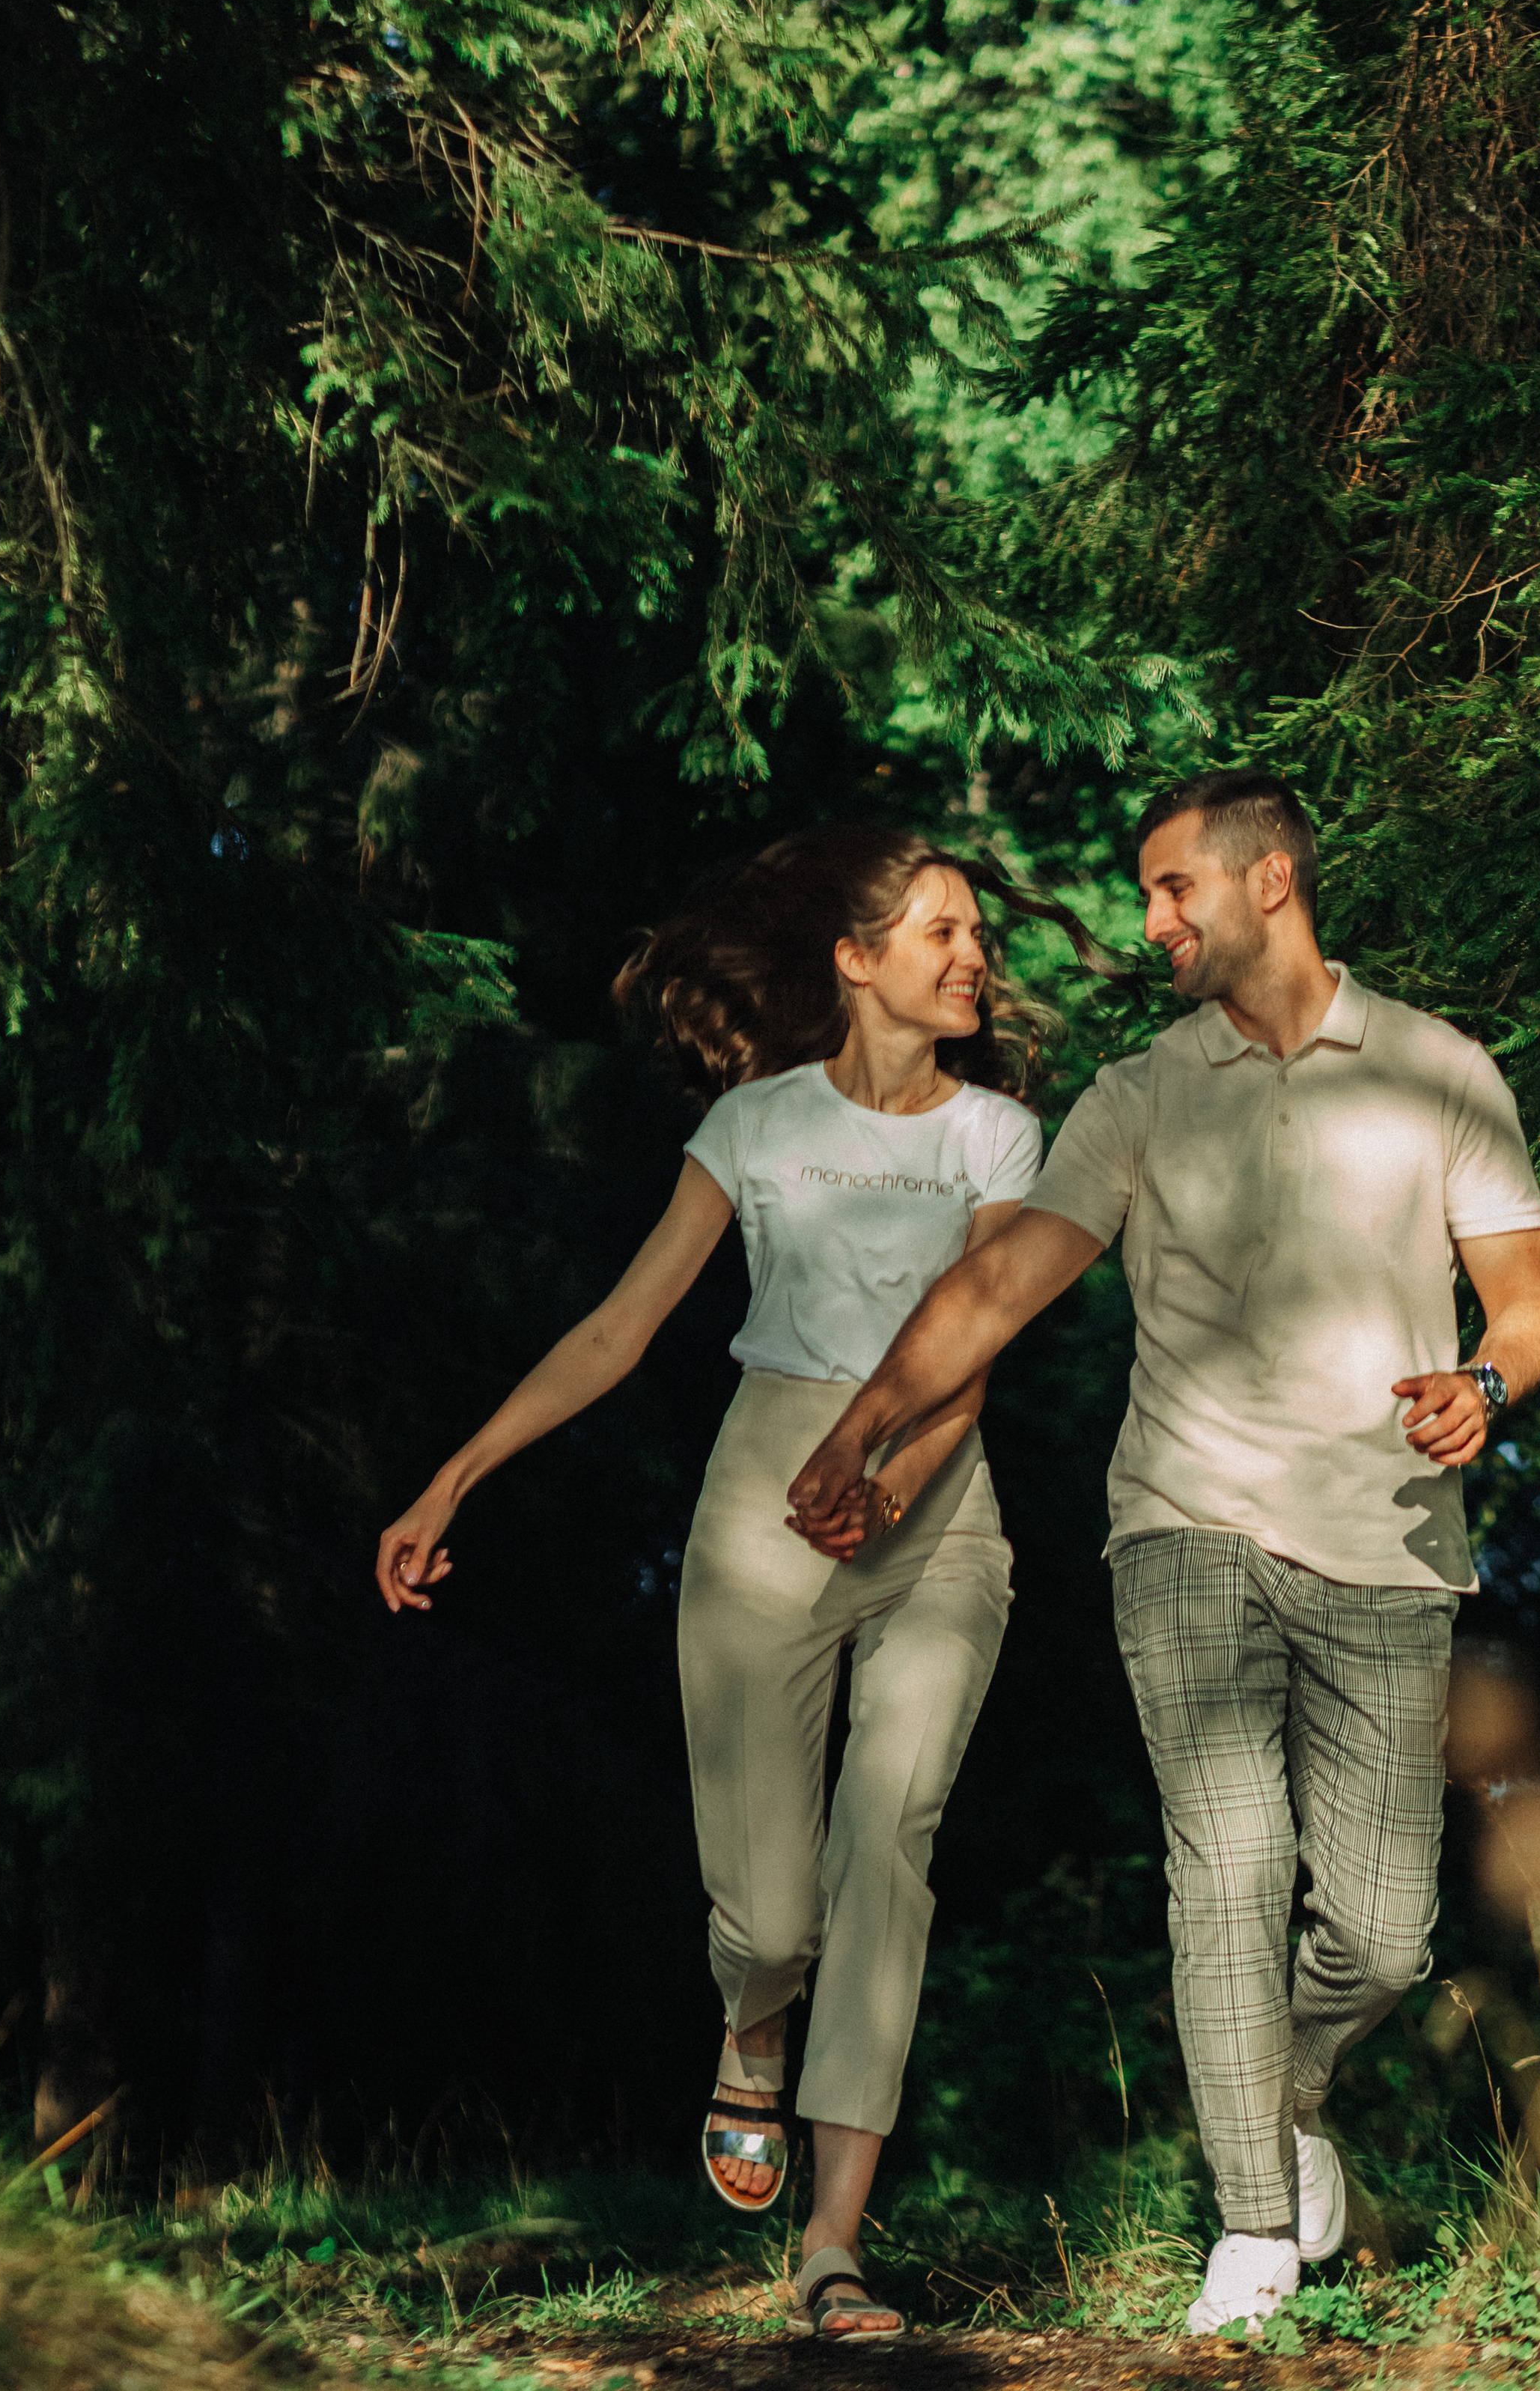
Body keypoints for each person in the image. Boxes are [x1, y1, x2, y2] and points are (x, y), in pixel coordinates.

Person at [786, 771, 1540, 2338]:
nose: (1148, 923)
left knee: (1382, 1928)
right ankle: (1250, 2224)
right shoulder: (1142, 1094)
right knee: (1225, 1868)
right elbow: (999, 1284)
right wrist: (862, 1421)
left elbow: (1529, 1299)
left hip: (1386, 1542)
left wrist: (1481, 1384)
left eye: (1168, 890)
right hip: (1183, 1523)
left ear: (1264, 880)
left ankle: (1277, 2098)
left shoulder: (1435, 1071)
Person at [376, 826, 1101, 2342]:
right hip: (763, 1490)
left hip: (937, 1503)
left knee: (886, 1847)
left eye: (976, 934)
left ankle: (832, 2248)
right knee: (770, 1918)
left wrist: (898, 1477)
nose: (974, 955)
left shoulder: (996, 1139)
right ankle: (753, 2030)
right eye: (939, 932)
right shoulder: (754, 1128)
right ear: (855, 960)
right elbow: (617, 1331)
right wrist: (454, 1476)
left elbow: (974, 1340)